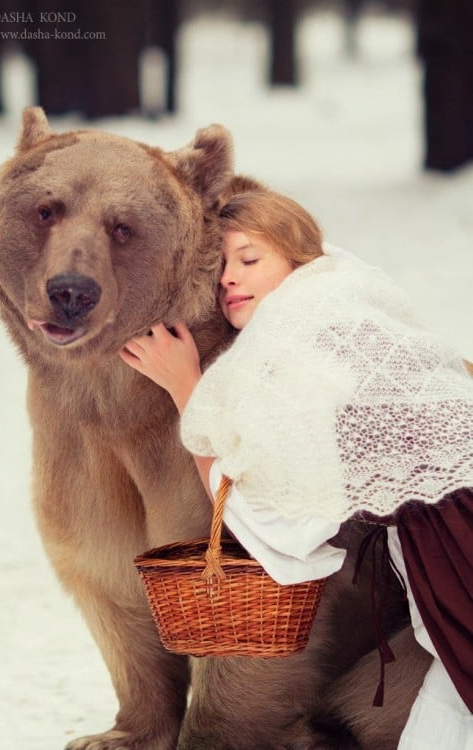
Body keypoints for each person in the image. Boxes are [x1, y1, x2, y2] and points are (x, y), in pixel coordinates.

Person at [119, 190, 473, 748]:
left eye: (250, 259)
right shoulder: (349, 301)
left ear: (300, 257)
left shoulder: (297, 335)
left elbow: (281, 530)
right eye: (220, 270)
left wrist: (186, 386)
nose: (230, 280)